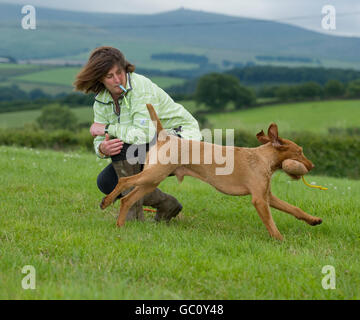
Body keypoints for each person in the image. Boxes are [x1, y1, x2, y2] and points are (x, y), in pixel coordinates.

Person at [74, 46, 202, 222]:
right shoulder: (101, 101)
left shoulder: (141, 88)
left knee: (125, 148)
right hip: (150, 146)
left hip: (182, 140)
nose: (117, 79)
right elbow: (99, 137)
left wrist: (107, 129)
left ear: (125, 68)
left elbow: (142, 135)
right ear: (100, 79)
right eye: (109, 76)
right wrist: (103, 148)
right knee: (107, 182)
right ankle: (167, 204)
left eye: (120, 72)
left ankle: (133, 217)